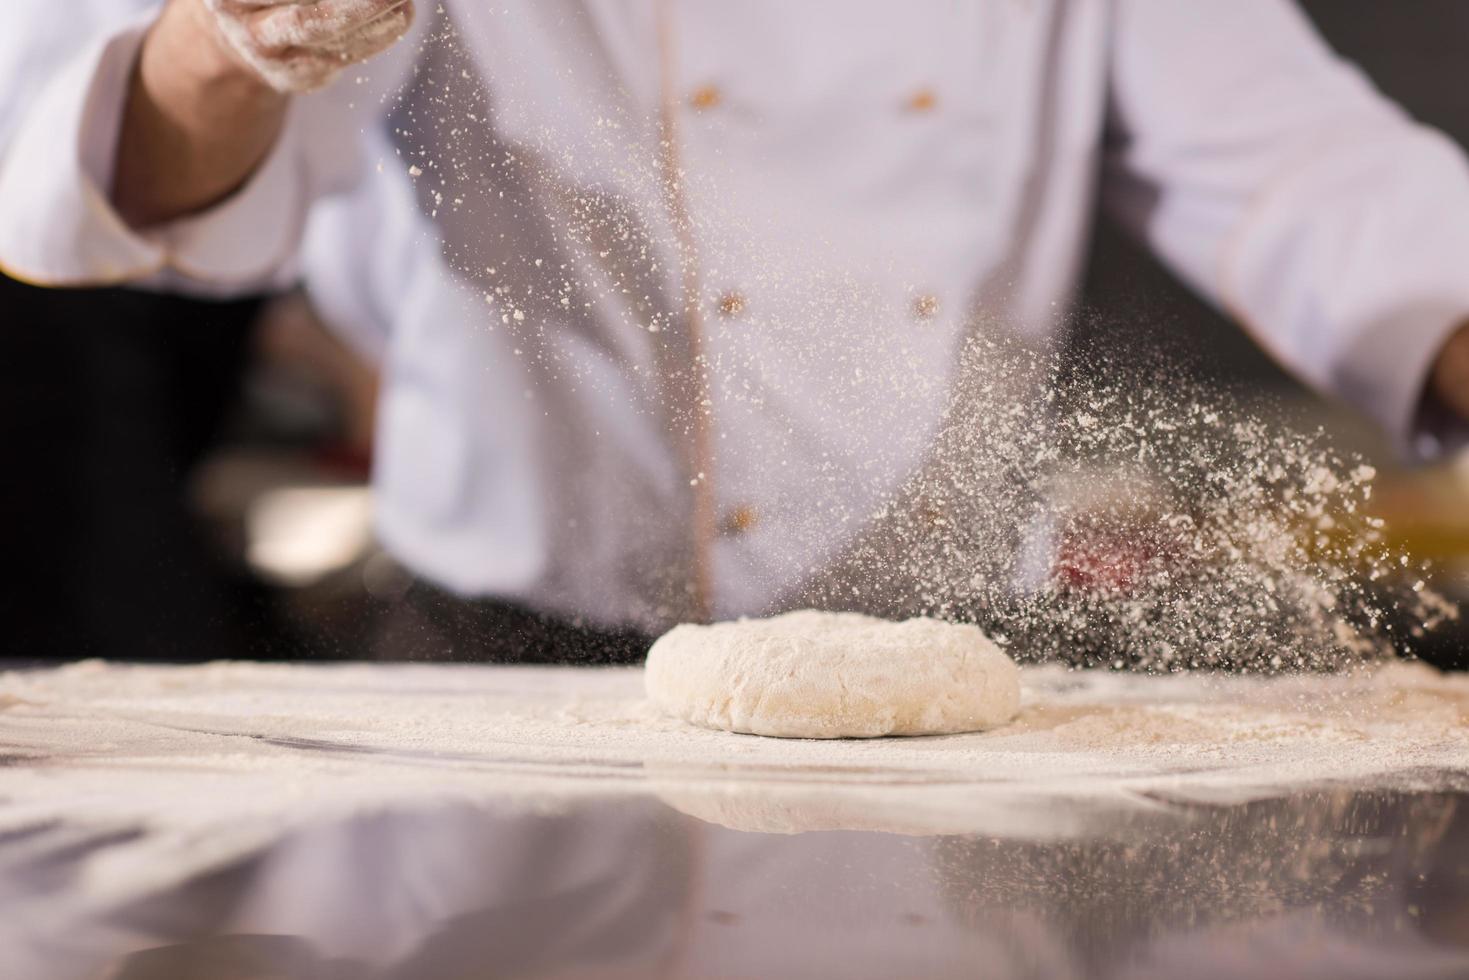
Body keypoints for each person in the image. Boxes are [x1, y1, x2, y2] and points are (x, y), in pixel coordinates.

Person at [7, 0, 1469, 662]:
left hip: (954, 664)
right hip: (502, 661)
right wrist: (226, 42)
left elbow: (1300, 172)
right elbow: (116, 159)